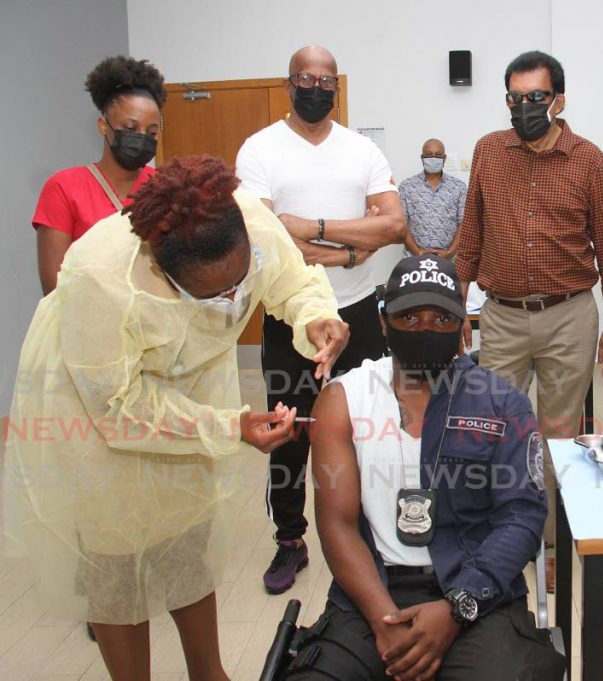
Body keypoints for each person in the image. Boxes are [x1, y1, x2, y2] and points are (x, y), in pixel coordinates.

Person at [4, 155, 348, 680]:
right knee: (116, 553)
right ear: (160, 267)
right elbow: (117, 408)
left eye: (239, 283)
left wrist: (316, 317)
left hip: (192, 381)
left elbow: (294, 282)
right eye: (214, 295)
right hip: (98, 405)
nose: (235, 303)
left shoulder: (248, 219)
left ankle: (209, 672)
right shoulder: (99, 277)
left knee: (186, 529)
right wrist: (226, 427)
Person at [284, 254, 565, 680]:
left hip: (477, 591)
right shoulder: (343, 400)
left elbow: (522, 518)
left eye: (441, 320)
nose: (423, 330)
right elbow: (337, 525)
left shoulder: (503, 404)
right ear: (383, 322)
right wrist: (383, 621)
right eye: (409, 317)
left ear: (462, 329)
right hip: (371, 592)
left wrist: (458, 607)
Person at [235, 45, 407, 595]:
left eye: (327, 79)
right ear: (289, 84)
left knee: (368, 426)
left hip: (358, 310)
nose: (316, 87)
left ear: (338, 87)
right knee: (288, 431)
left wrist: (314, 232)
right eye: (306, 78)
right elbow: (262, 233)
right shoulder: (260, 149)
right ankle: (290, 540)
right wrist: (354, 240)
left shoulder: (361, 150)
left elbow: (395, 224)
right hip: (288, 317)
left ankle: (368, 530)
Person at [455, 50, 603, 586]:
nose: (525, 107)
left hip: (568, 318)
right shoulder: (488, 151)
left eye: (536, 98)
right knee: (494, 433)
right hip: (501, 318)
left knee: (555, 440)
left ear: (558, 100)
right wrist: (457, 307)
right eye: (515, 98)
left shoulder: (589, 159)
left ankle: (550, 544)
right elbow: (471, 235)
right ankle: (498, 541)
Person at [32, 55, 166, 295]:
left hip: (153, 328)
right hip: (87, 326)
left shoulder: (164, 187)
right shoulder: (64, 188)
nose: (142, 137)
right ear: (104, 126)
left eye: (152, 132)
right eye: (130, 128)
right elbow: (55, 290)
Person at [398, 138, 467, 258]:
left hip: (448, 260)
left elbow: (464, 223)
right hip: (413, 258)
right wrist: (417, 252)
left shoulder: (458, 187)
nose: (433, 158)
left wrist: (450, 253)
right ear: (422, 158)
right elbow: (401, 224)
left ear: (444, 158)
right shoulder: (407, 187)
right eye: (429, 155)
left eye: (438, 155)